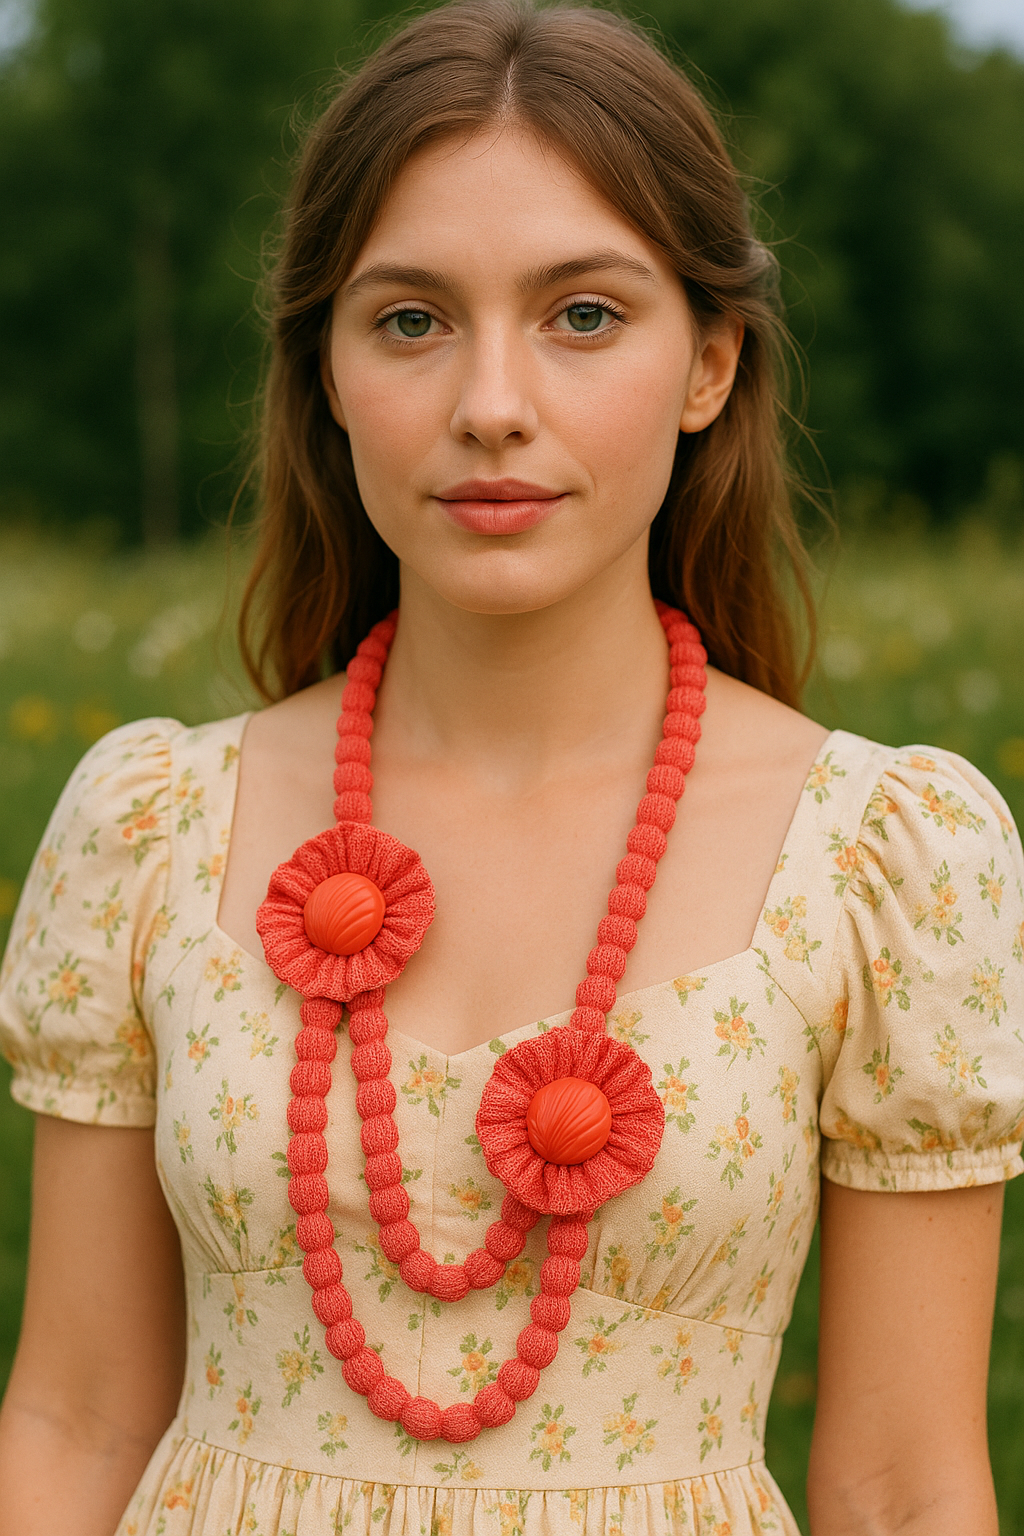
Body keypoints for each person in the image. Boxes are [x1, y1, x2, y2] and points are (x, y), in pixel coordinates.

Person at [0, 3, 1021, 1532]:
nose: (490, 406)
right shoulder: (151, 826)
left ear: (711, 363)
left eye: (583, 315)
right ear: (327, 369)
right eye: (411, 320)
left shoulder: (886, 859)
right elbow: (75, 1420)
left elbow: (901, 1487)